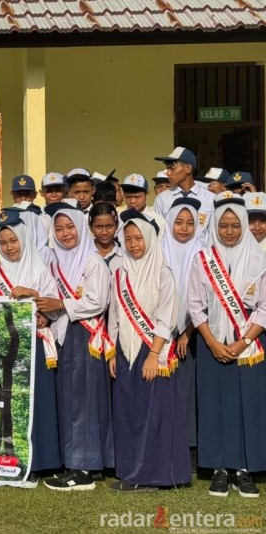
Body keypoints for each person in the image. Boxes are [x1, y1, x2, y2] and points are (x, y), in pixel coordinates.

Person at [188, 192, 266, 498]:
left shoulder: (261, 259)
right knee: (214, 405)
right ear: (215, 228)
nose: (230, 231)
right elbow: (195, 305)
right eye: (224, 225)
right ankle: (218, 469)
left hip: (250, 342)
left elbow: (264, 307)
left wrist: (242, 341)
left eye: (235, 225)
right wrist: (211, 341)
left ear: (244, 226)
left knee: (247, 404)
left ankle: (243, 468)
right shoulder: (203, 259)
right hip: (211, 343)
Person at [107, 210, 190, 492]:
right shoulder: (119, 273)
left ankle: (153, 476)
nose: (133, 245)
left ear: (150, 239)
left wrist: (154, 355)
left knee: (154, 415)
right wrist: (111, 353)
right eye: (128, 239)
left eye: (138, 239)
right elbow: (115, 315)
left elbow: (167, 317)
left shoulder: (163, 273)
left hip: (153, 351)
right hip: (125, 352)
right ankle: (131, 472)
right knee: (129, 414)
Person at [36, 200, 114, 491]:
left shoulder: (93, 261)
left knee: (84, 402)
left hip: (86, 336)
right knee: (67, 401)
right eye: (59, 228)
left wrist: (61, 304)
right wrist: (47, 312)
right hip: (62, 335)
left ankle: (84, 466)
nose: (66, 233)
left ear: (81, 227)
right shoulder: (54, 261)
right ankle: (72, 461)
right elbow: (48, 296)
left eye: (70, 227)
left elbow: (97, 302)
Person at [0, 210, 61, 478]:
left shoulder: (41, 270)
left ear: (24, 240)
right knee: (12, 403)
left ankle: (45, 461)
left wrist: (34, 295)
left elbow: (53, 310)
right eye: (3, 243)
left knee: (40, 403)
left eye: (13, 241)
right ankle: (15, 459)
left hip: (37, 348)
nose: (9, 247)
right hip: (9, 350)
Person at [161, 197, 204, 468]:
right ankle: (166, 441)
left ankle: (190, 446)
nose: (184, 228)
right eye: (179, 222)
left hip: (194, 332)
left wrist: (187, 331)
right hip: (161, 330)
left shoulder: (204, 251)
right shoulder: (159, 249)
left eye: (190, 223)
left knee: (189, 391)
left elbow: (203, 297)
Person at [153, 147, 214, 236]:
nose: (167, 173)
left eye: (172, 168)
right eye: (167, 168)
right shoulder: (162, 199)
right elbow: (158, 233)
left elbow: (212, 234)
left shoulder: (210, 199)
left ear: (188, 168)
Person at [89, 202, 122, 271]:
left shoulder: (125, 257)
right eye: (99, 227)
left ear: (117, 226)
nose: (104, 232)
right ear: (91, 227)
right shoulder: (84, 255)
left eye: (109, 226)